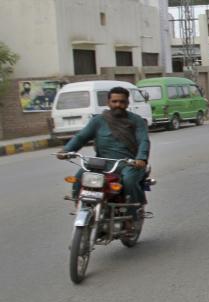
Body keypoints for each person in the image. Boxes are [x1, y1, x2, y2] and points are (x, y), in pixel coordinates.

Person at [57, 86, 150, 226]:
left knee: (129, 181)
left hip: (128, 163)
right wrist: (66, 150)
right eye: (114, 101)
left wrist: (141, 159)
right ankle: (81, 205)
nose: (118, 104)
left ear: (127, 103)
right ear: (108, 102)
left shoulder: (137, 121)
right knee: (78, 178)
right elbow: (81, 137)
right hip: (102, 162)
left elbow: (143, 141)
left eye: (122, 102)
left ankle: (134, 214)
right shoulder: (99, 120)